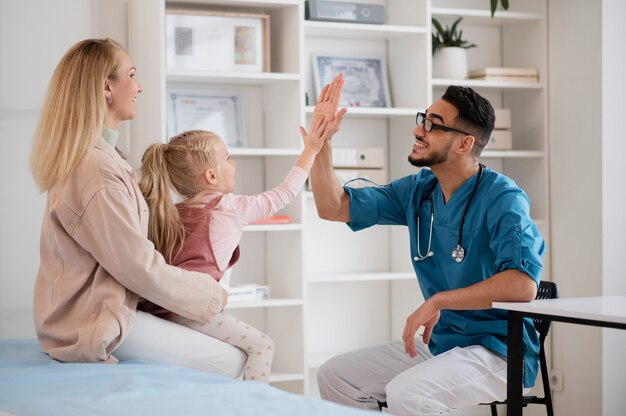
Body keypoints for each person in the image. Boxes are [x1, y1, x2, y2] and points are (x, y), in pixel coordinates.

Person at [310, 74, 546, 415]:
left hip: (499, 350)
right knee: (336, 375)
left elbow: (523, 285)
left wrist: (438, 301)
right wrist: (323, 143)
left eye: (434, 125)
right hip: (444, 343)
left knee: (408, 393)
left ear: (465, 144)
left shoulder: (503, 199)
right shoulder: (420, 189)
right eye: (423, 120)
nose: (419, 131)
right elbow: (333, 207)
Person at [29, 38, 247, 378]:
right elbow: (137, 266)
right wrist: (211, 296)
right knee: (234, 361)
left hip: (82, 312)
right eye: (131, 74)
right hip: (93, 321)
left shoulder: (99, 159)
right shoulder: (97, 169)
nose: (139, 86)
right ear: (106, 86)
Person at [138, 119, 330, 382]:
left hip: (160, 307)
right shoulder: (230, 208)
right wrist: (311, 150)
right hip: (192, 311)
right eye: (228, 158)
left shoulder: (169, 212)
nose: (234, 163)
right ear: (211, 176)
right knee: (264, 346)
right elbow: (284, 194)